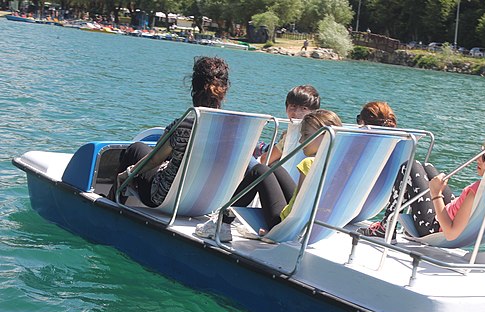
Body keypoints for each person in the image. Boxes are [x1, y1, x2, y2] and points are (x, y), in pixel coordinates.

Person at [196, 109, 343, 241]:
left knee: (259, 171)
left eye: (306, 135)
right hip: (311, 225)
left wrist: (276, 233)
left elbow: (300, 208)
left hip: (285, 226)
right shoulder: (338, 164)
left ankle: (222, 223)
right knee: (275, 168)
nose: (301, 140)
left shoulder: (309, 164)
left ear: (324, 136)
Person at [108, 56, 230, 206]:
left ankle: (112, 203)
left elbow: (154, 159)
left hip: (164, 199)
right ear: (224, 91)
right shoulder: (232, 129)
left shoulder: (183, 126)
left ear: (194, 88)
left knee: (136, 148)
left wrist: (126, 174)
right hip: (205, 203)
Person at [357, 135, 485, 241]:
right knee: (427, 167)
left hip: (433, 228)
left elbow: (450, 233)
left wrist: (436, 194)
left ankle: (386, 227)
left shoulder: (476, 191)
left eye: (484, 157)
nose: (478, 159)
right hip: (450, 216)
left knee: (409, 167)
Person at [254, 85, 321, 166]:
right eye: (293, 106)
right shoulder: (324, 133)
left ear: (314, 112)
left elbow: (264, 160)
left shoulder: (292, 135)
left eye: (304, 109)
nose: (296, 112)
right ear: (286, 108)